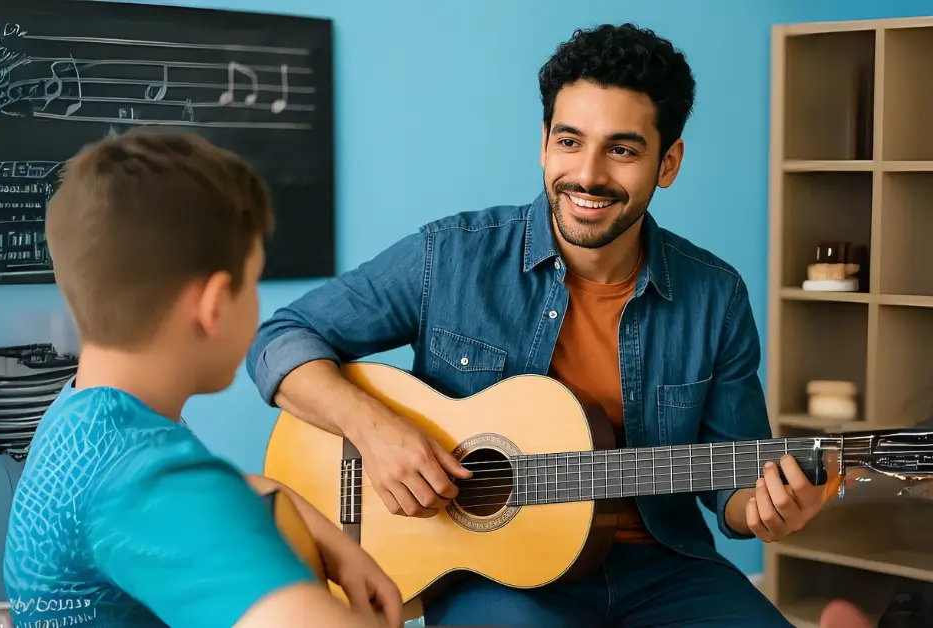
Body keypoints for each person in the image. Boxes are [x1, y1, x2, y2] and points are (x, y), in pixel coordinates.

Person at [247, 23, 825, 627]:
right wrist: (375, 430)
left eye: (622, 150)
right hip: (496, 577)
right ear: (544, 143)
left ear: (668, 162)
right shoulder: (450, 256)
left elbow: (733, 478)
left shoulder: (716, 295)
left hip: (665, 570)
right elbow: (280, 340)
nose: (589, 175)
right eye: (570, 141)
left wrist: (763, 509)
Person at [2, 129, 402, 628]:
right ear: (213, 306)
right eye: (252, 284)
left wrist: (326, 535)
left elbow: (198, 489)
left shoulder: (82, 418)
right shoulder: (146, 479)